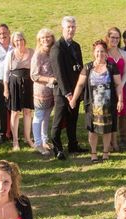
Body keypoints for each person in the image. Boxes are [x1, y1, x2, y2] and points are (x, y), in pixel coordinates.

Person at [70, 40, 124, 163]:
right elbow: (80, 85)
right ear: (94, 53)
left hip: (108, 105)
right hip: (92, 105)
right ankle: (93, 152)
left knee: (107, 129)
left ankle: (105, 152)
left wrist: (120, 100)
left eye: (102, 51)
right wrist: (73, 99)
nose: (100, 54)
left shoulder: (111, 67)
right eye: (98, 51)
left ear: (106, 53)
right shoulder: (88, 67)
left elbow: (118, 84)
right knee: (92, 130)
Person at [49, 16, 84, 159]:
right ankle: (57, 148)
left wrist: (77, 93)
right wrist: (68, 94)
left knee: (73, 119)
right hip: (63, 93)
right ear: (62, 28)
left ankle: (73, 145)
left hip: (75, 91)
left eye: (73, 27)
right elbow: (59, 74)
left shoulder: (76, 46)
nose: (71, 30)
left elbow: (80, 68)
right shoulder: (57, 48)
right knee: (58, 121)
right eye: (68, 27)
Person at [3, 32, 35, 151]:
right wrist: (6, 89)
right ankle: (15, 141)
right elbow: (6, 72)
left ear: (24, 40)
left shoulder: (32, 52)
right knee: (15, 113)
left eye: (21, 39)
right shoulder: (10, 54)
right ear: (13, 42)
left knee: (27, 111)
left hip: (28, 83)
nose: (19, 42)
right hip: (14, 83)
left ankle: (28, 138)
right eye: (16, 40)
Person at [30, 28, 56, 156]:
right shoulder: (38, 55)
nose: (45, 40)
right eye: (42, 38)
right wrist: (49, 79)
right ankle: (38, 143)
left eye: (48, 37)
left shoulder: (53, 51)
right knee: (39, 116)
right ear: (39, 40)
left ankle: (45, 140)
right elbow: (34, 75)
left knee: (47, 116)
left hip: (52, 90)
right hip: (41, 91)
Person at [105, 27, 126, 152]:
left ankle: (115, 141)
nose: (115, 40)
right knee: (108, 116)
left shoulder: (123, 54)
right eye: (112, 37)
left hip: (120, 89)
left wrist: (119, 85)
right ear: (108, 37)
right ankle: (108, 142)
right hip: (107, 89)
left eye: (117, 38)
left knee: (117, 116)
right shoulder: (104, 53)